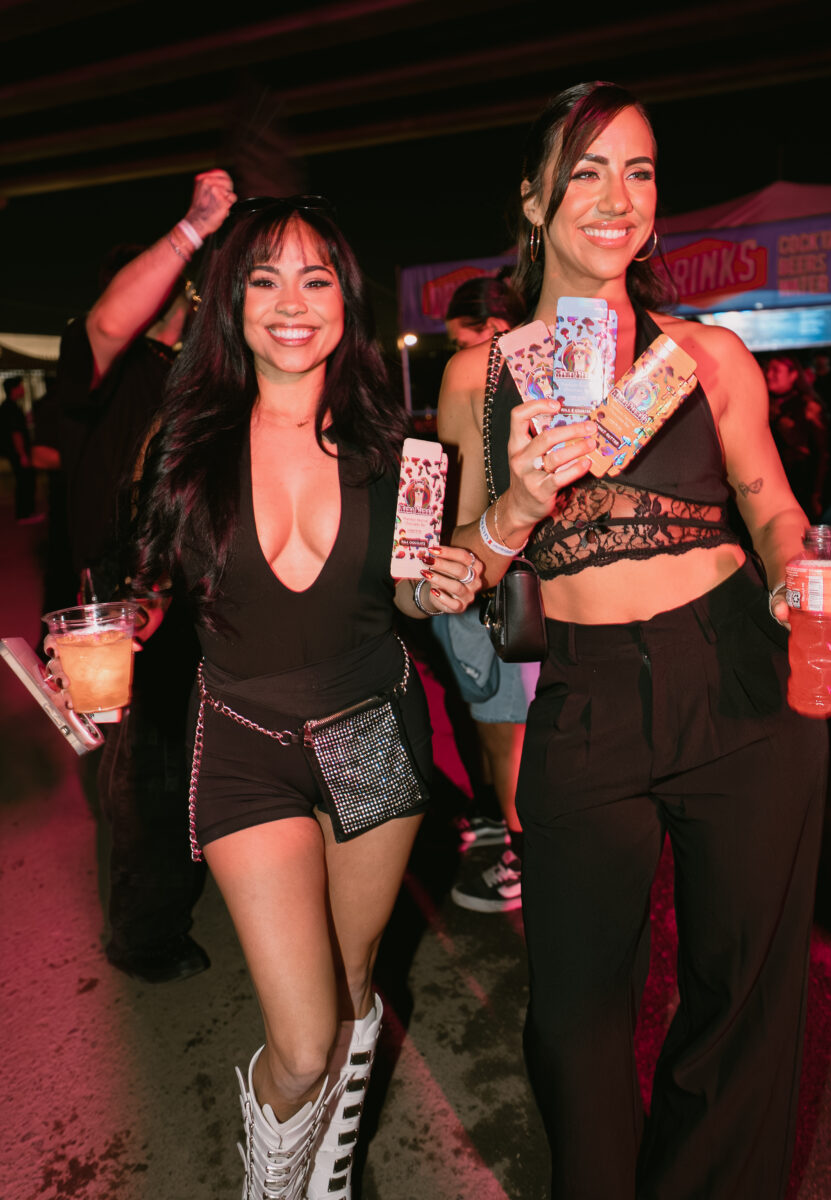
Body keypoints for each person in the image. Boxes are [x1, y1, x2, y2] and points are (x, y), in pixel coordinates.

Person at [437, 81, 831, 1199]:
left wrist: (808, 580)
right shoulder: (478, 378)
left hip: (737, 676)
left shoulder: (708, 355)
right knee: (573, 1016)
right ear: (534, 200)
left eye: (637, 172)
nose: (616, 197)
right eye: (586, 170)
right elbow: (463, 569)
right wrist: (516, 507)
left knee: (743, 996)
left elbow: (771, 508)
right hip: (583, 695)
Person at [130, 197, 483, 1198]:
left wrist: (443, 583)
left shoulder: (403, 452)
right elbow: (148, 591)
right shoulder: (186, 442)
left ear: (346, 301)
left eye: (316, 279)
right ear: (231, 303)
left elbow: (409, 592)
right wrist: (107, 640)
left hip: (371, 732)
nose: (292, 303)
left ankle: (330, 1162)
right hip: (245, 742)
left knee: (356, 981)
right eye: (265, 279)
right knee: (300, 1037)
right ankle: (274, 1184)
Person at [51, 170, 236, 984]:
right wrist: (192, 229)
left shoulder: (190, 374)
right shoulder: (104, 371)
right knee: (151, 765)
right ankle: (144, 935)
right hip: (129, 595)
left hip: (196, 588)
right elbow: (106, 320)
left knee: (202, 747)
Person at [437, 274, 537, 912]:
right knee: (503, 725)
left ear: (496, 330)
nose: (457, 354)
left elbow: (467, 502)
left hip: (501, 585)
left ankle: (522, 857)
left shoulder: (486, 379)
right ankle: (510, 825)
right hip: (510, 581)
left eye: (464, 340)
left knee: (506, 730)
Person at [765, 352, 829, 520]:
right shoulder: (761, 402)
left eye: (775, 370)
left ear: (793, 375)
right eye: (768, 369)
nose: (768, 375)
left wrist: (817, 493)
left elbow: (822, 453)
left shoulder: (808, 407)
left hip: (799, 487)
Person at [0, 375, 39, 523]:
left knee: (24, 480)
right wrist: (22, 454)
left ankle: (24, 513)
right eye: (20, 386)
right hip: (17, 452)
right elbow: (16, 433)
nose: (23, 389)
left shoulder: (7, 407)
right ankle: (24, 513)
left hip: (14, 452)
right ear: (14, 389)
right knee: (25, 481)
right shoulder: (11, 409)